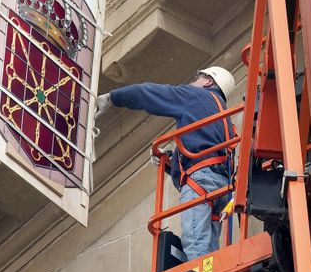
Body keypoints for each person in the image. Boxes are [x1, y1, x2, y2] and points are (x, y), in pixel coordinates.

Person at [95, 66, 236, 261]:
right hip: (222, 189)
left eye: (197, 77)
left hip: (200, 183)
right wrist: (169, 161)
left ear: (208, 82)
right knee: (208, 252)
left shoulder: (195, 96)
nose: (192, 81)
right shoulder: (225, 119)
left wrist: (112, 98)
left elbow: (150, 94)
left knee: (196, 245)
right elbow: (206, 149)